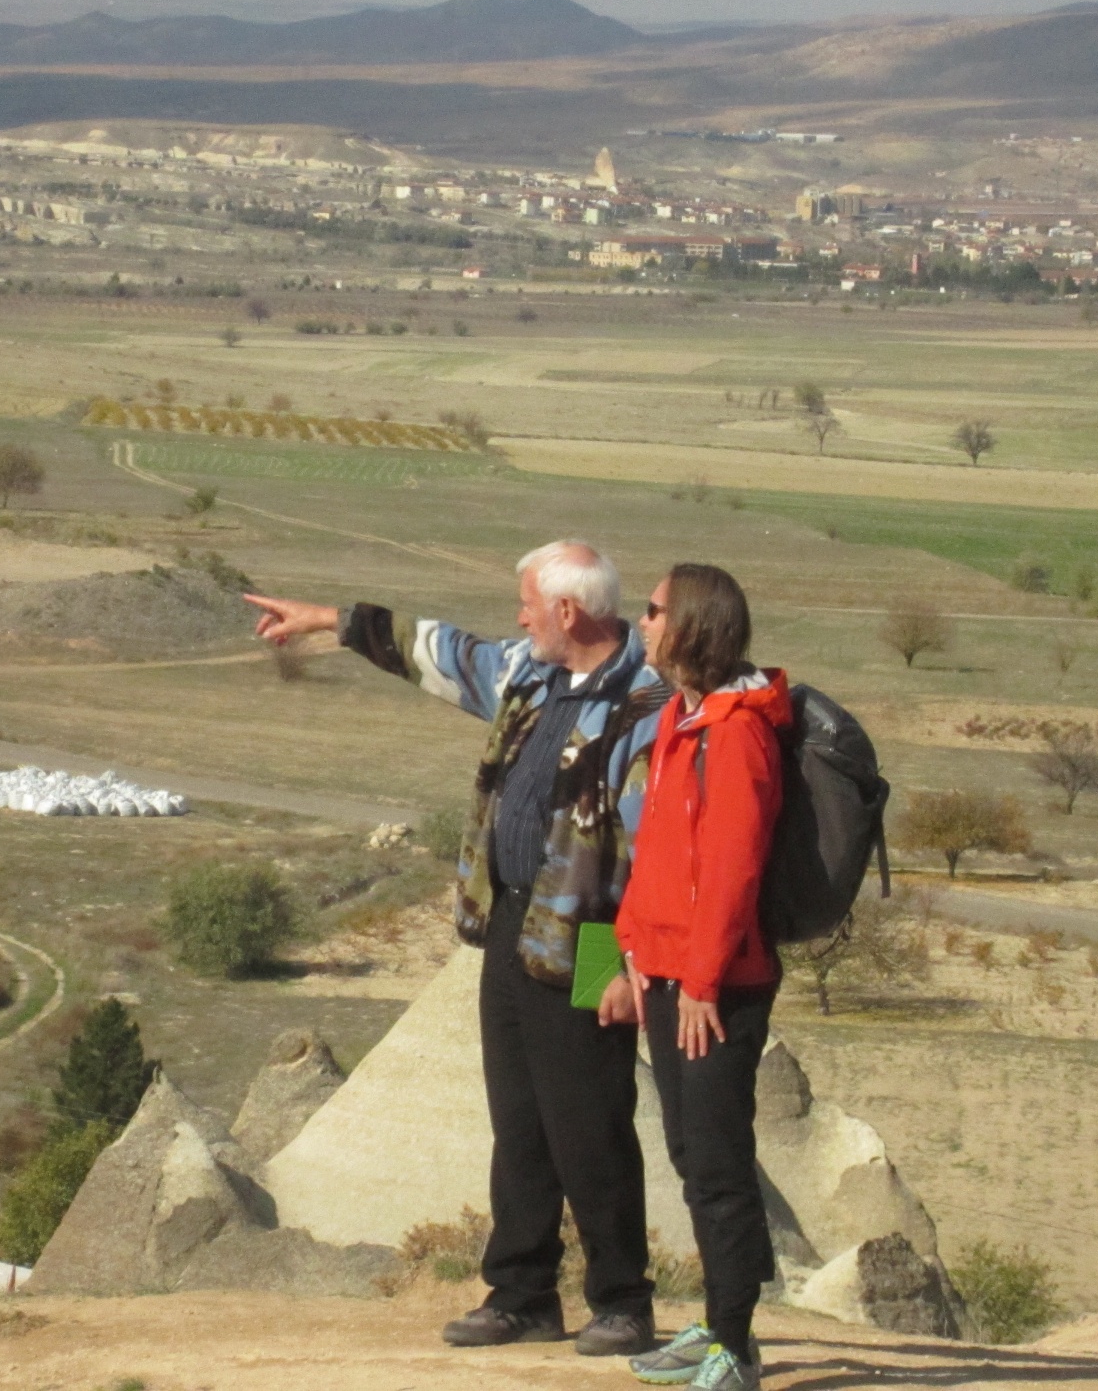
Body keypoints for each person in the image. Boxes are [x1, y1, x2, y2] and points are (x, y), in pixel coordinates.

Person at [246, 542, 672, 1357]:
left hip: (593, 939)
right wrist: (329, 622)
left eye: (527, 604)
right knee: (518, 1118)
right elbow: (440, 652)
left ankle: (623, 1300)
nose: (517, 618)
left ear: (569, 612)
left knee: (591, 1118)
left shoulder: (645, 706)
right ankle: (522, 1294)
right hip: (512, 919)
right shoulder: (532, 674)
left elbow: (656, 850)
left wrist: (625, 961)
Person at [597, 563, 788, 1391]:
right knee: (687, 1150)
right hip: (671, 974)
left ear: (693, 626)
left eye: (653, 610)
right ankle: (718, 1323)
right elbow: (655, 858)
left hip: (719, 985)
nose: (640, 622)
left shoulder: (739, 730)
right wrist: (632, 954)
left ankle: (736, 1347)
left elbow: (734, 866)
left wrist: (703, 982)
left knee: (716, 1160)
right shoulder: (682, 715)